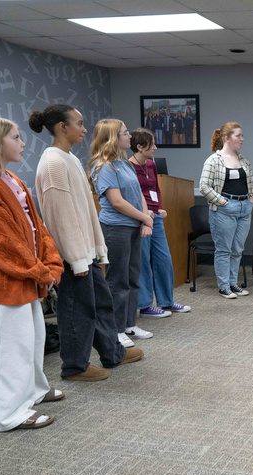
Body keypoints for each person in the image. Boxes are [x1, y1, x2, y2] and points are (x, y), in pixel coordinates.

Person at [31, 105, 143, 382]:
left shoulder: (68, 158)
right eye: (79, 124)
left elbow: (84, 211)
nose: (84, 129)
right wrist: (76, 256)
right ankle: (75, 366)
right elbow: (60, 217)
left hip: (85, 250)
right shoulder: (53, 162)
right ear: (61, 127)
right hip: (73, 255)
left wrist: (95, 248)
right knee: (77, 311)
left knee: (101, 303)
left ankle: (112, 352)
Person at [0, 116, 64, 431]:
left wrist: (49, 263)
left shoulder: (9, 178)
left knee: (32, 340)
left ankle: (32, 391)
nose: (23, 142)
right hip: (7, 281)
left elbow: (35, 228)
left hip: (28, 278)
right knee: (9, 347)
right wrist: (40, 270)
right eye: (15, 137)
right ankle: (7, 414)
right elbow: (1, 243)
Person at [90, 119, 154, 345]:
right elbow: (117, 202)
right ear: (112, 138)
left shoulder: (125, 163)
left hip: (134, 226)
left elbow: (139, 196)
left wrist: (147, 220)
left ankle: (129, 324)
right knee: (118, 281)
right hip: (116, 228)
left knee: (133, 277)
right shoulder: (103, 166)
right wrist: (144, 218)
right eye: (125, 133)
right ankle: (115, 330)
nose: (130, 137)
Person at [129, 127, 191, 317]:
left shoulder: (151, 165)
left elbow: (157, 189)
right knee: (144, 262)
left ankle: (166, 301)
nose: (155, 148)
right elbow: (132, 195)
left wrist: (158, 207)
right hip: (141, 219)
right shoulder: (128, 166)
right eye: (151, 144)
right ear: (139, 147)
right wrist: (145, 215)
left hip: (155, 217)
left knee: (164, 259)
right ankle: (146, 306)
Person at [199, 122, 253, 299]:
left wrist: (251, 198)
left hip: (244, 208)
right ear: (226, 138)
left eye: (242, 135)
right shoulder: (214, 160)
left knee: (237, 249)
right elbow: (204, 186)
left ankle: (233, 284)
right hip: (224, 209)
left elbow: (252, 183)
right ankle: (224, 287)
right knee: (224, 250)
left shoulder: (244, 160)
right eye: (238, 136)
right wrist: (222, 201)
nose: (242, 139)